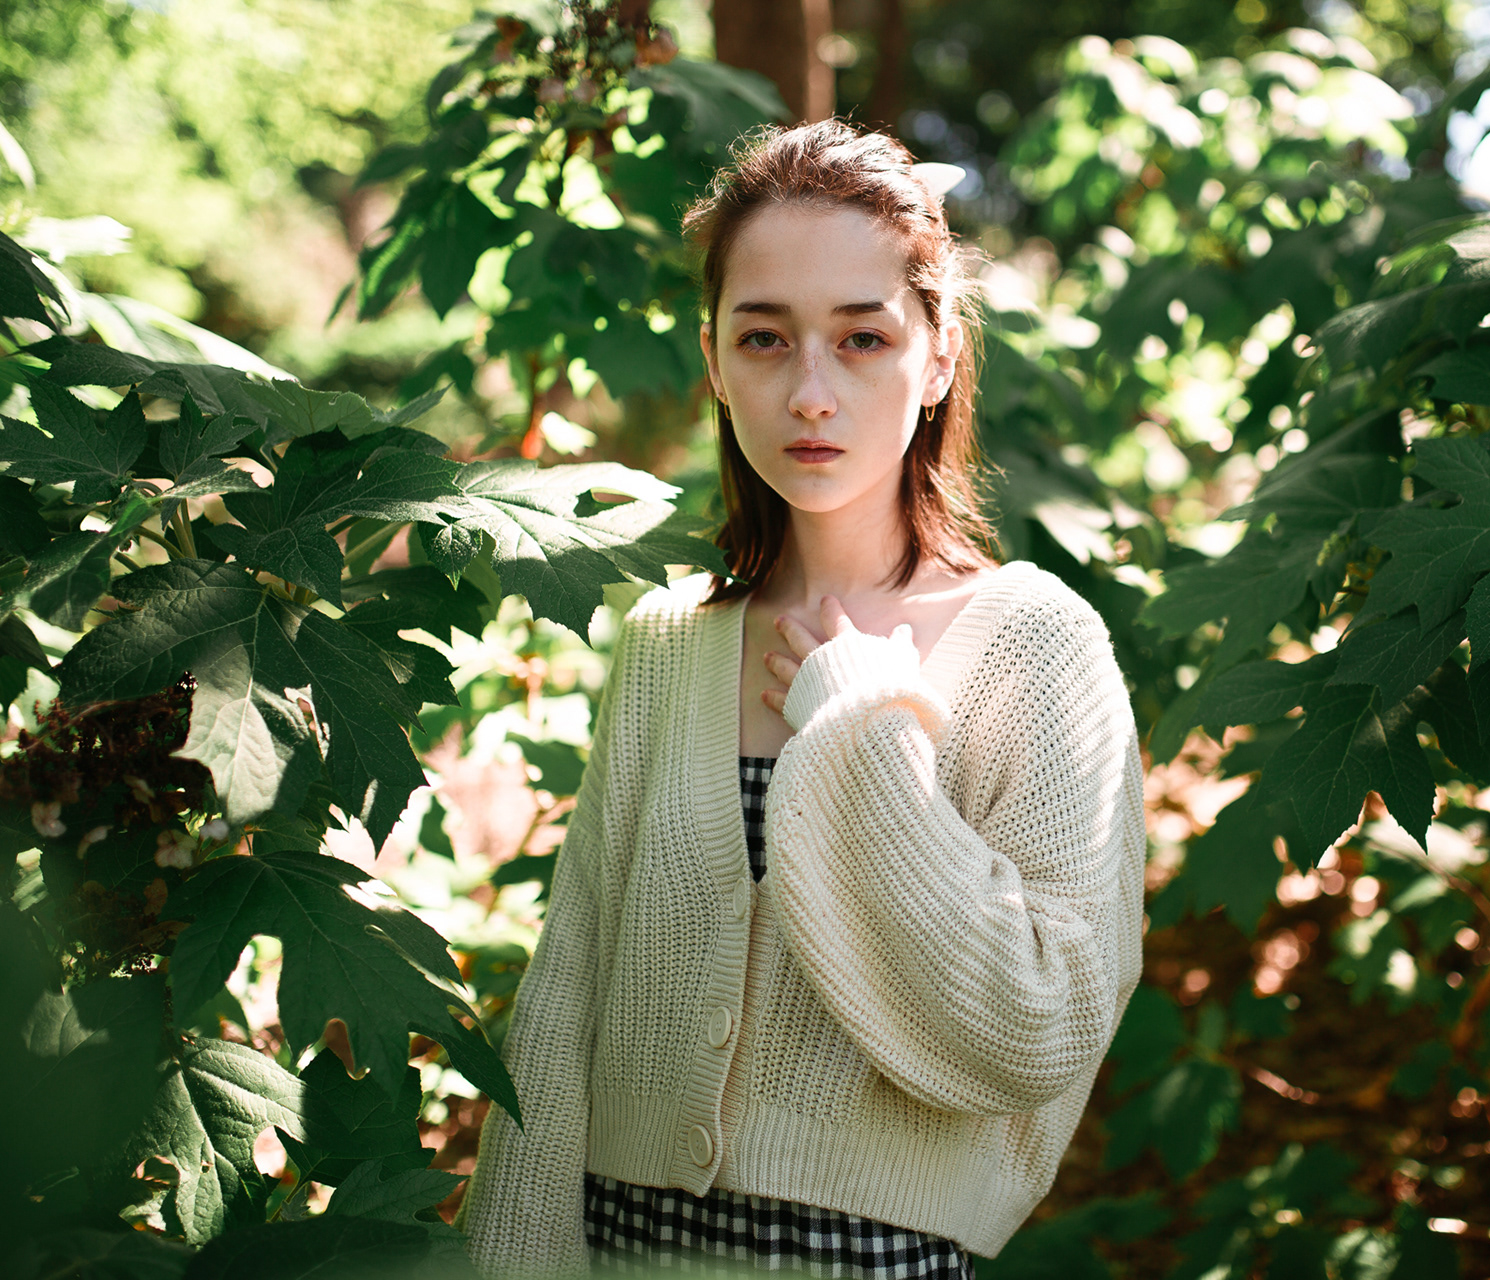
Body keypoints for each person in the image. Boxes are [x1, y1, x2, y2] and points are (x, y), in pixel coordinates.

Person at [458, 118, 1145, 1278]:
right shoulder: (670, 642)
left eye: (863, 338)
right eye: (766, 338)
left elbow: (1041, 1026)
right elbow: (565, 1002)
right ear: (715, 362)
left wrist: (865, 726)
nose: (811, 391)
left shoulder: (1038, 646)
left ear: (939, 357)